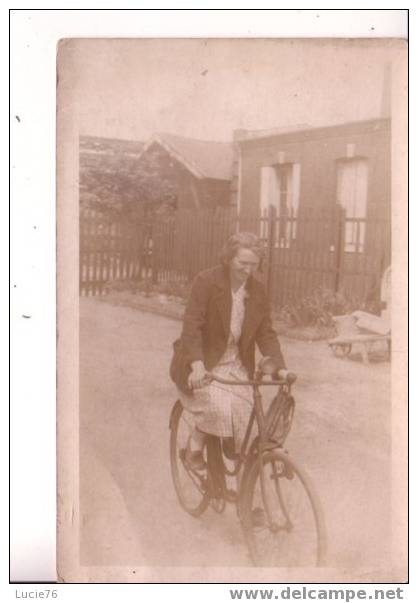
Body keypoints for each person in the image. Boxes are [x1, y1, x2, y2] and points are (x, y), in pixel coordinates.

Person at [170, 232, 286, 470]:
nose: (247, 270)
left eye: (253, 264)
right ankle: (194, 447)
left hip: (235, 364)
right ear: (229, 258)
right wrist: (197, 365)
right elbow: (192, 327)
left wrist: (280, 368)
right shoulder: (207, 281)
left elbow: (266, 333)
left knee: (249, 417)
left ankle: (243, 483)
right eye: (242, 263)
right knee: (220, 409)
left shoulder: (257, 290)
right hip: (203, 363)